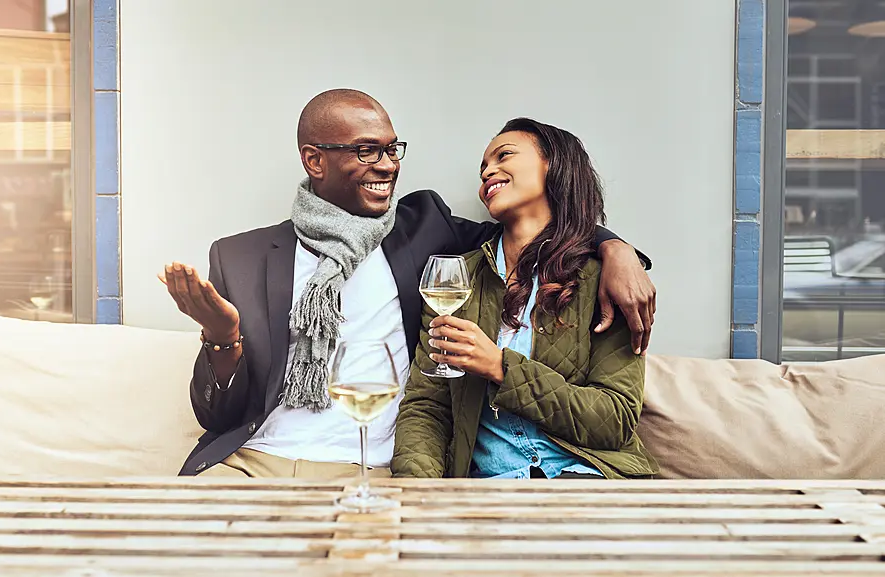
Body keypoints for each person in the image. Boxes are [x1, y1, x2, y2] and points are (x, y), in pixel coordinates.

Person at [160, 90, 656, 478]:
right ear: (315, 161)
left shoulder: (427, 231)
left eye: (391, 149)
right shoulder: (240, 256)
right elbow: (217, 415)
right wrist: (222, 339)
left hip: (367, 467)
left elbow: (539, 234)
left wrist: (616, 248)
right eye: (366, 150)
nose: (388, 164)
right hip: (253, 459)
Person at [391, 118, 659, 480]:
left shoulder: (604, 279)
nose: (488, 171)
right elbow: (427, 407)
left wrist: (501, 367)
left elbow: (614, 421)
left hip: (590, 480)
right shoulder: (459, 280)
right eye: (483, 166)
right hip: (491, 492)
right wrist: (417, 493)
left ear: (554, 164)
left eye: (504, 156)